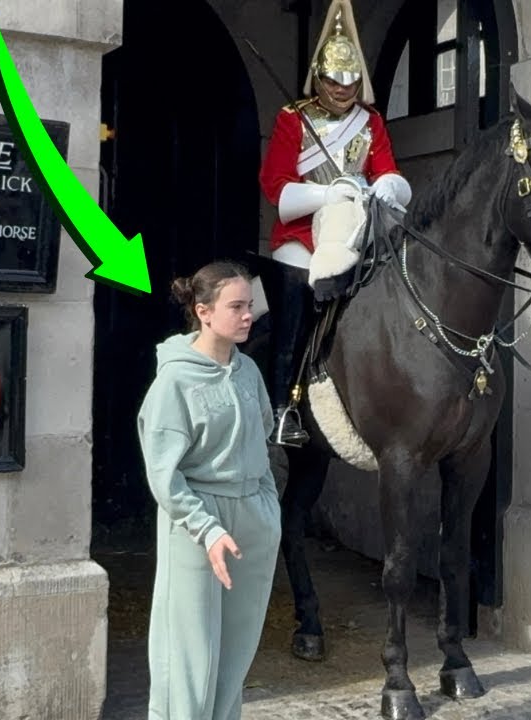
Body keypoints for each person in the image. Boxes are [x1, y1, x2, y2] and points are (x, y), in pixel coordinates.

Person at [258, 0, 411, 445]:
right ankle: (284, 403)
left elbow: (386, 169)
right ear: (319, 78)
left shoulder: (370, 122)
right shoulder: (294, 119)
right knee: (295, 297)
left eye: (350, 80)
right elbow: (276, 186)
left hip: (357, 227)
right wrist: (328, 193)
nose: (343, 89)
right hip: (303, 235)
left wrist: (388, 187)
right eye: (333, 80)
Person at [137, 261, 281, 720]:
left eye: (249, 306)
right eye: (236, 306)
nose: (247, 316)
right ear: (203, 311)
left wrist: (267, 508)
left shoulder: (249, 372)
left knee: (235, 658)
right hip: (197, 520)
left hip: (252, 519)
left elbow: (262, 438)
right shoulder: (174, 380)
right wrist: (205, 527)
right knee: (188, 658)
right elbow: (163, 472)